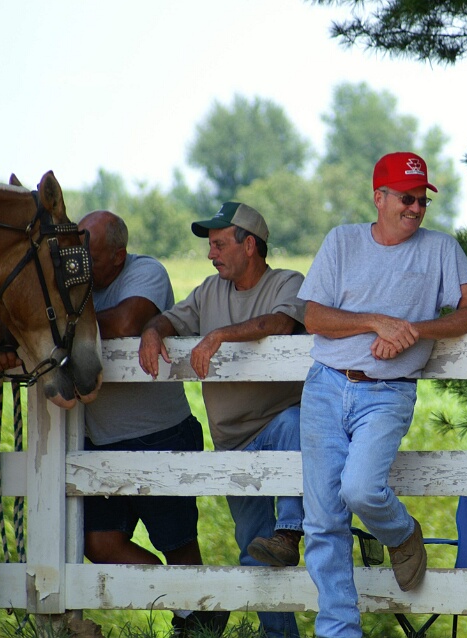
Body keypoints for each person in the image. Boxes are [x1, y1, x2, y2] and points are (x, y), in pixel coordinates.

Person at [296, 151, 467, 638]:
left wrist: (414, 331)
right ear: (378, 198)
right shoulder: (342, 240)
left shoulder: (440, 248)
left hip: (388, 393)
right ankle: (339, 631)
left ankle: (402, 533)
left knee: (360, 489)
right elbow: (312, 316)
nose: (416, 208)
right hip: (326, 386)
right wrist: (376, 322)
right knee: (322, 522)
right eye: (406, 198)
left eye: (422, 200)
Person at [138, 202, 305, 638]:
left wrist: (217, 336)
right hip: (233, 441)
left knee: (293, 421)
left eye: (219, 244)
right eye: (210, 246)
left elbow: (281, 323)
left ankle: (290, 531)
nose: (211, 254)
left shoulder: (287, 281)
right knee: (253, 548)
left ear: (249, 245)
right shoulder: (209, 291)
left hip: (279, 428)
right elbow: (170, 319)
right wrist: (153, 331)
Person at [76, 211, 228, 635]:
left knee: (177, 545)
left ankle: (198, 619)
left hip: (160, 434)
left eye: (90, 254)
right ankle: (195, 610)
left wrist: (62, 325)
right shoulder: (75, 281)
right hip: (99, 440)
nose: (80, 261)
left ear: (118, 254)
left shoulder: (147, 272)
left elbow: (127, 323)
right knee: (98, 544)